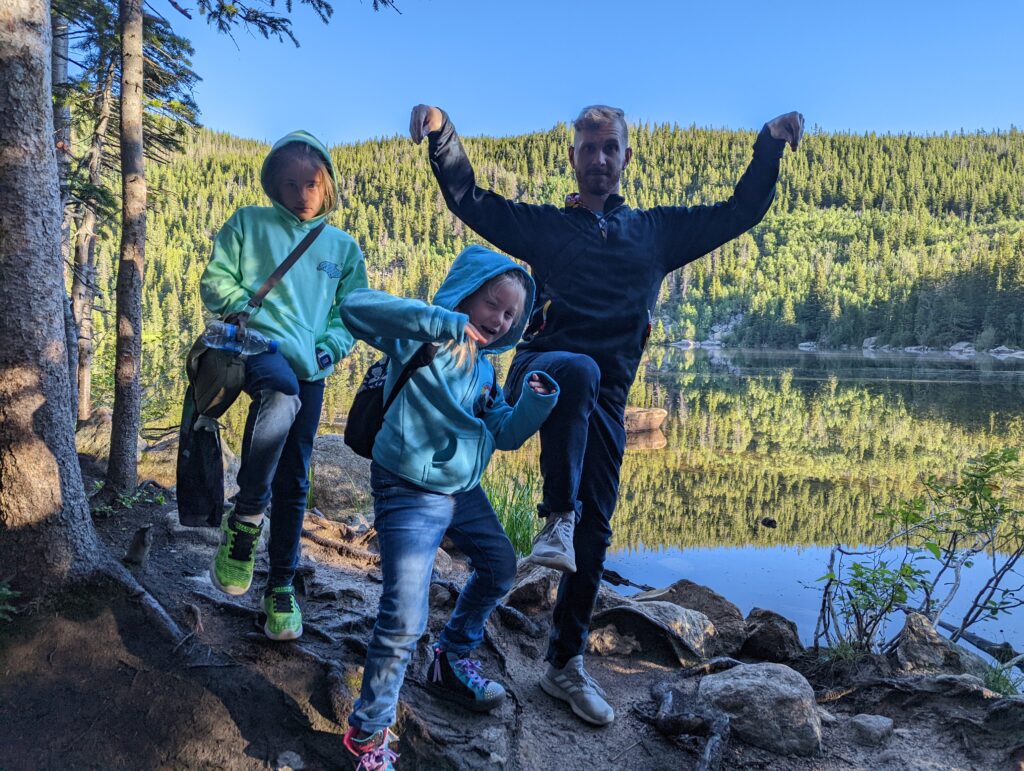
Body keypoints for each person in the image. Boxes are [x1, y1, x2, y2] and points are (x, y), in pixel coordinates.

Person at [410, 103, 803, 725]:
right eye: (587, 147)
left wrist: (770, 144)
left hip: (608, 399)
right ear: (573, 158)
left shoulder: (656, 233)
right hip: (545, 370)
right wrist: (442, 137)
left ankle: (564, 665)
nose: (598, 158)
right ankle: (554, 517)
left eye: (609, 148)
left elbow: (739, 212)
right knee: (579, 377)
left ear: (625, 158)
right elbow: (472, 200)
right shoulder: (546, 228)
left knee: (596, 531)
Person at [338, 245, 558, 770]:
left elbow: (503, 433)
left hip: (460, 491)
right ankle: (367, 734)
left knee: (502, 565)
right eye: (492, 305)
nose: (500, 321)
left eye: (510, 315)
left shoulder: (484, 370)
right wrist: (441, 319)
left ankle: (452, 656)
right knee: (403, 615)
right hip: (407, 489)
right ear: (466, 295)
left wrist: (537, 402)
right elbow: (355, 307)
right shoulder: (421, 335)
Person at [200, 131, 367, 640]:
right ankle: (247, 513)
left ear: (327, 186)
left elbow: (351, 314)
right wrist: (239, 312)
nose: (300, 193)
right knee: (280, 393)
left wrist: (328, 349)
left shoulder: (342, 247)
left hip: (309, 367)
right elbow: (215, 280)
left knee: (296, 478)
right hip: (257, 350)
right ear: (273, 184)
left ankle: (280, 587)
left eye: (310, 184)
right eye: (289, 183)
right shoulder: (250, 223)